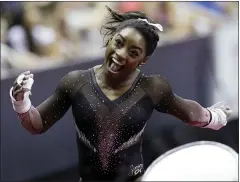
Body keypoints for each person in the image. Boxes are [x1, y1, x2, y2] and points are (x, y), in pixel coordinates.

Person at [10, 6, 232, 182]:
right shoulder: (76, 82)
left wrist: (215, 117)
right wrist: (21, 103)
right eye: (118, 43)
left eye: (133, 52)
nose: (120, 55)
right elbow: (36, 125)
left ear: (143, 60)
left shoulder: (151, 87)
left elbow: (190, 113)